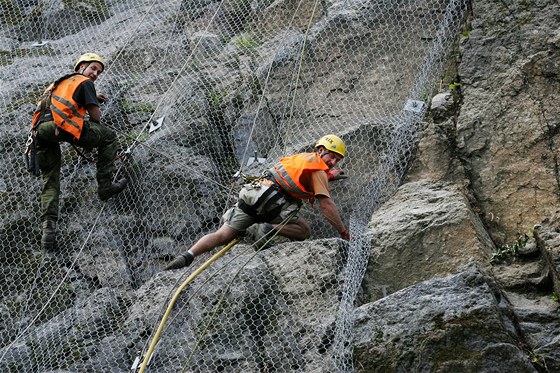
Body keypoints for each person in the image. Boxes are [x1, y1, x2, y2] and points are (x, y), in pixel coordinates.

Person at [164, 134, 350, 270]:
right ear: (320, 150)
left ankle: (188, 255)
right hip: (273, 204)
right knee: (304, 231)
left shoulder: (301, 158)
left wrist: (329, 176)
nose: (333, 162)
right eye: (332, 156)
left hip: (254, 194)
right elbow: (326, 206)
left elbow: (297, 179)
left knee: (223, 235)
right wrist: (342, 231)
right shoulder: (318, 171)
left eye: (337, 160)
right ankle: (268, 228)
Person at [31, 52, 128, 250]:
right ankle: (105, 186)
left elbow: (66, 103)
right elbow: (94, 116)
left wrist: (92, 97)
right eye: (93, 68)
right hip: (60, 126)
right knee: (108, 137)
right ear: (80, 67)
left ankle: (48, 231)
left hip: (40, 132)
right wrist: (94, 132)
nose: (95, 74)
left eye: (98, 72)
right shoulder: (84, 82)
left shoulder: (59, 84)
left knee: (50, 179)